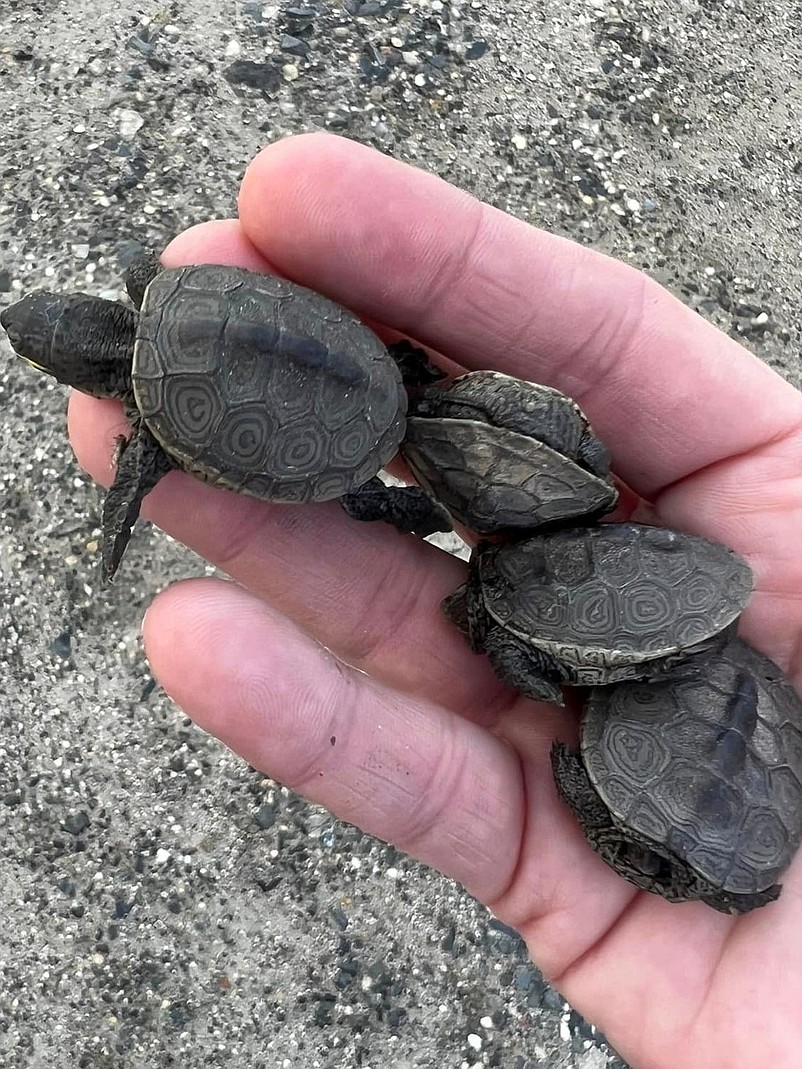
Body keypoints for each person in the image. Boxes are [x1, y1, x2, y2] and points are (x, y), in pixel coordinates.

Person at [67, 133, 802, 1069]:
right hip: (541, 548)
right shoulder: (163, 281)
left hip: (590, 597)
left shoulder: (707, 830)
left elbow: (581, 738)